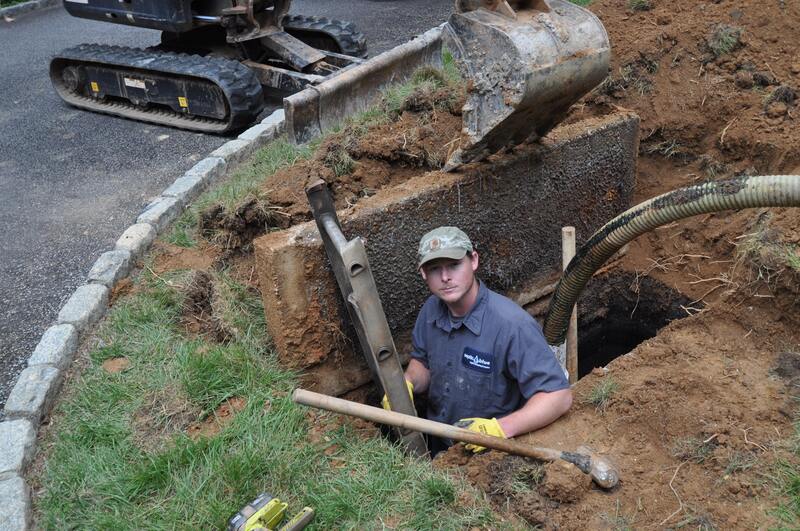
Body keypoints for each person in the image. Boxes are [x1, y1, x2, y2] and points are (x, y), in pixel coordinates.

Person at [384, 226, 572, 455]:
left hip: (488, 458)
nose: (445, 277)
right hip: (439, 448)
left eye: (454, 265)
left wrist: (498, 429)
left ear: (473, 261)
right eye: (435, 269)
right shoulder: (430, 311)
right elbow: (422, 362)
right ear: (423, 273)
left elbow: (558, 396)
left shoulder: (512, 325)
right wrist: (407, 383)